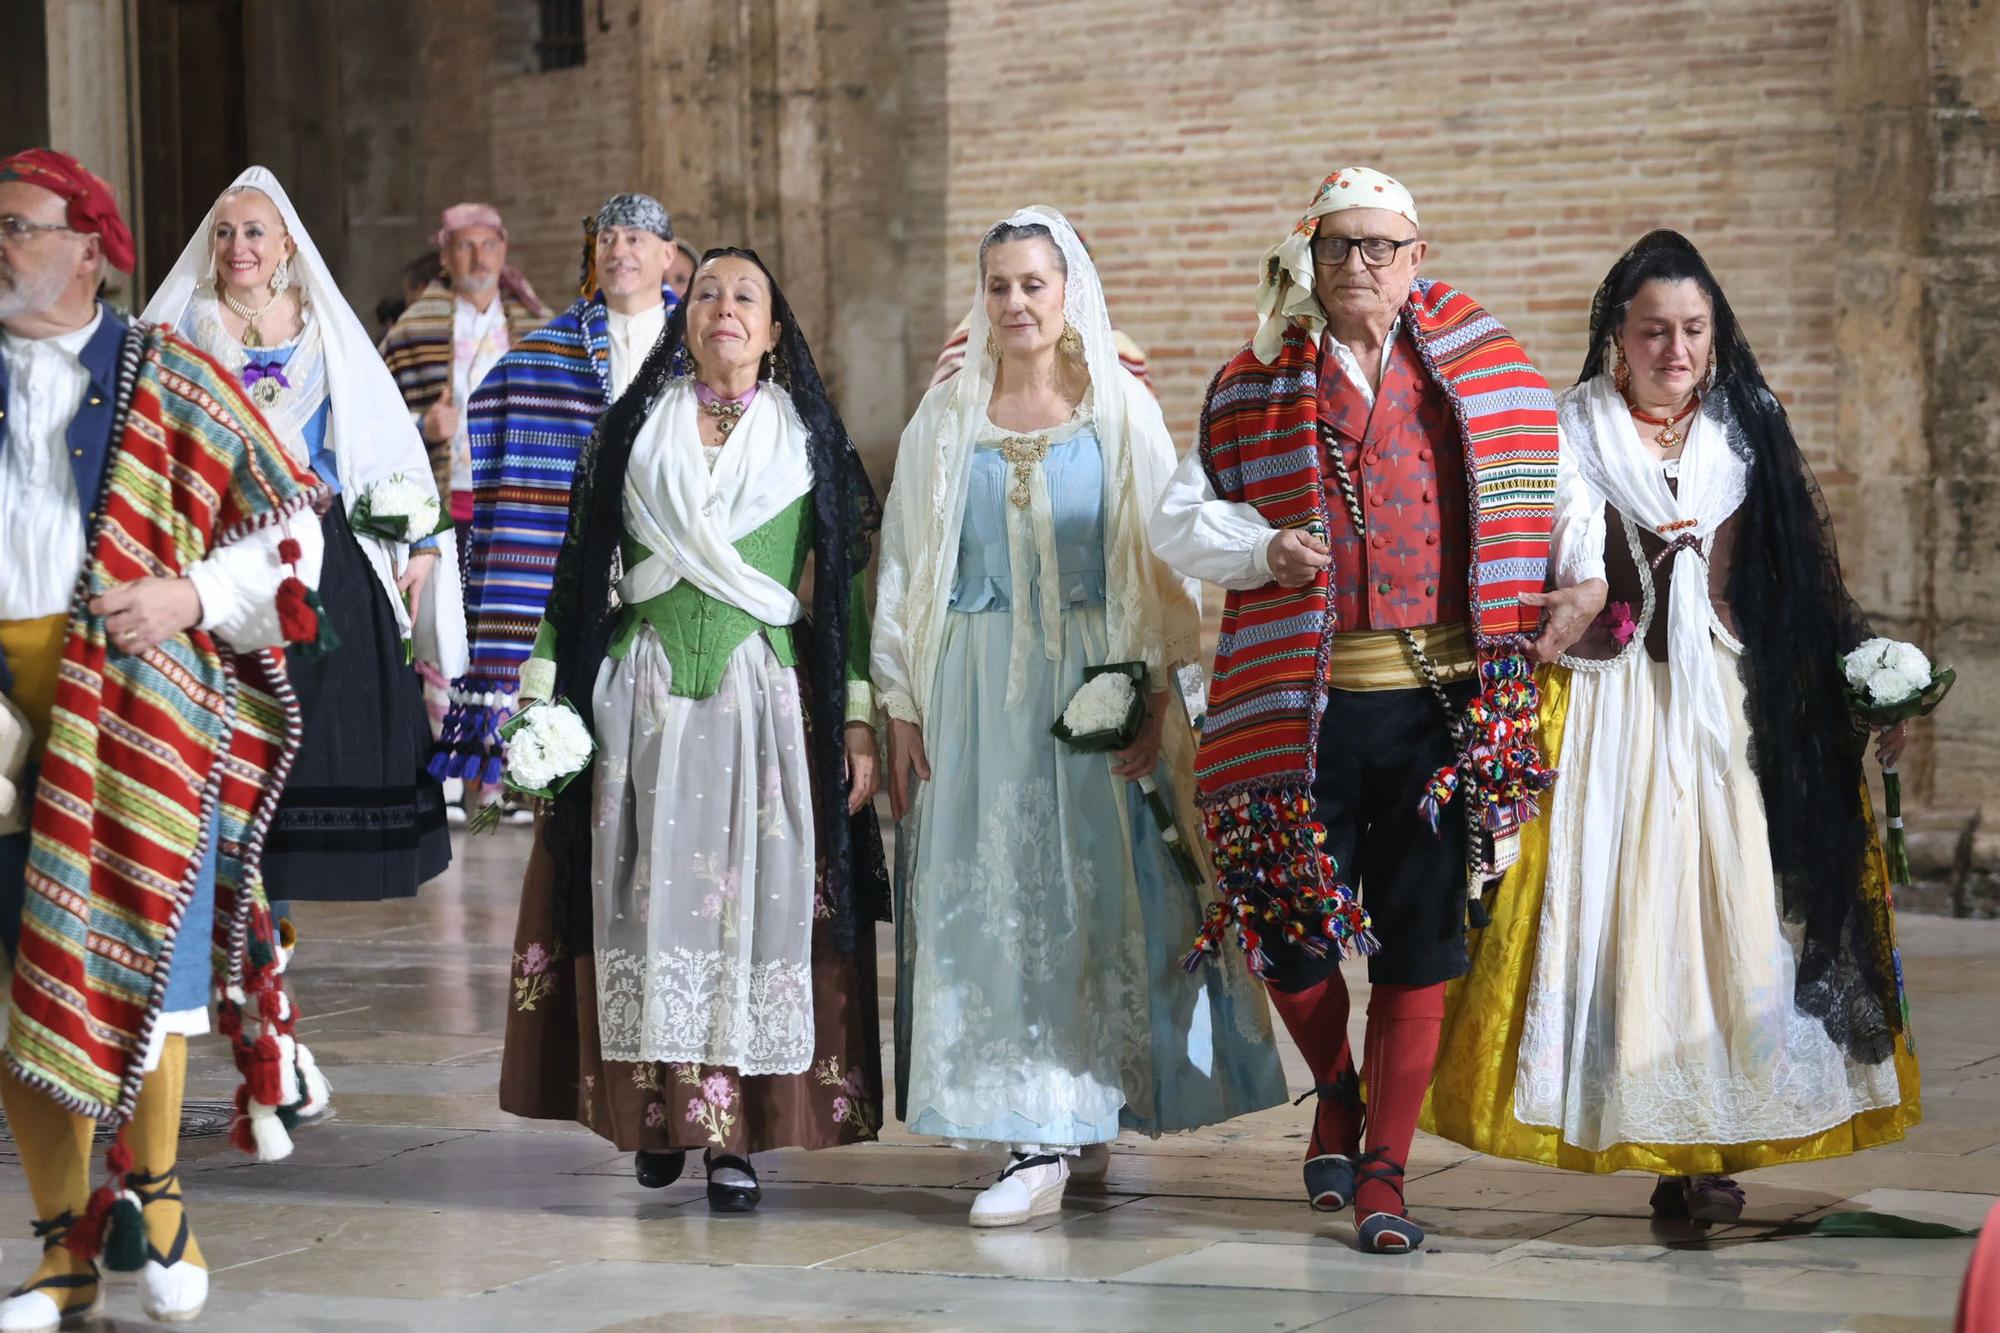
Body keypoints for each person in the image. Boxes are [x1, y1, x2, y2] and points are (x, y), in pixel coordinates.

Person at [1423, 229, 1921, 1222]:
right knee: (1616, 911)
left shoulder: (1746, 431)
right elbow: (1535, 554)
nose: (1674, 349)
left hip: (1724, 714)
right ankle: (1641, 1126)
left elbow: (1800, 567)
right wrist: (1562, 600)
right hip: (1608, 711)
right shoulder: (1569, 431)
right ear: (1618, 332)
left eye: (1691, 328)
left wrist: (1862, 677)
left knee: (1725, 912)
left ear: (1714, 333)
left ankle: (1705, 1150)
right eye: (1653, 330)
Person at [1149, 168, 1565, 1252]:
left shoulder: (1489, 376)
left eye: (1381, 246)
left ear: (1417, 255)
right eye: (1338, 246)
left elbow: (1549, 495)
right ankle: (1331, 1085)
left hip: (1438, 713)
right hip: (1299, 709)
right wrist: (1259, 548)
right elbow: (1179, 518)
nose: (1359, 265)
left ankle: (1383, 1167)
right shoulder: (1251, 384)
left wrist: (1580, 585)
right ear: (1309, 257)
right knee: (1285, 931)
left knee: (1419, 944)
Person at [874, 206, 1286, 1229]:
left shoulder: (1117, 411)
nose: (1015, 301)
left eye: (1033, 284)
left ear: (1068, 295)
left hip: (1091, 686)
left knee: (1093, 894)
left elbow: (1161, 558)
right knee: (996, 897)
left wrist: (1158, 690)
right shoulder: (943, 418)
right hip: (972, 690)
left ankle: (1077, 1101)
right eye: (1000, 284)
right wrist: (900, 697)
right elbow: (902, 563)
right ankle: (1032, 1128)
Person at [0, 148, 326, 1329]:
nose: (2, 245)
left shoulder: (169, 375)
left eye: (20, 226)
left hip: (136, 708)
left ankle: (161, 1199)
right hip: (1, 720)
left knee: (145, 962)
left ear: (90, 246)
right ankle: (58, 1248)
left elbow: (293, 534)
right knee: (15, 982)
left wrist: (189, 600)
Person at [498, 247, 886, 1213]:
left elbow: (845, 597)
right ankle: (657, 1120)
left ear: (773, 326)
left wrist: (860, 718)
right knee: (647, 905)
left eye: (744, 295)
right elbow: (578, 572)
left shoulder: (806, 442)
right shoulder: (633, 430)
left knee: (748, 917)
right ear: (684, 319)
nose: (723, 308)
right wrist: (545, 694)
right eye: (705, 292)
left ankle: (734, 1141)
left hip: (760, 709)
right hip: (645, 705)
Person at [143, 168, 466, 914]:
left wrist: (417, 540)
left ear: (286, 241)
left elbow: (380, 440)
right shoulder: (187, 324)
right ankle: (238, 888)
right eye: (225, 232)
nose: (237, 245)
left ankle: (289, 889)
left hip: (324, 547)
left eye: (254, 231)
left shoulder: (323, 325)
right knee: (238, 714)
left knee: (327, 714)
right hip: (223, 548)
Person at [435, 193, 680, 804]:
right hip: (570, 558)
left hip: (673, 557)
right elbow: (491, 401)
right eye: (608, 240)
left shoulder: (696, 344)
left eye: (635, 239)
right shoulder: (550, 351)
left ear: (669, 254)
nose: (620, 250)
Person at [379, 202, 550, 557]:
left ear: (504, 250)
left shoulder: (541, 329)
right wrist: (424, 426)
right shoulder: (412, 331)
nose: (479, 257)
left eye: (488, 244)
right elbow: (373, 419)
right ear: (444, 257)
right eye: (464, 246)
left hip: (521, 502)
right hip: (442, 503)